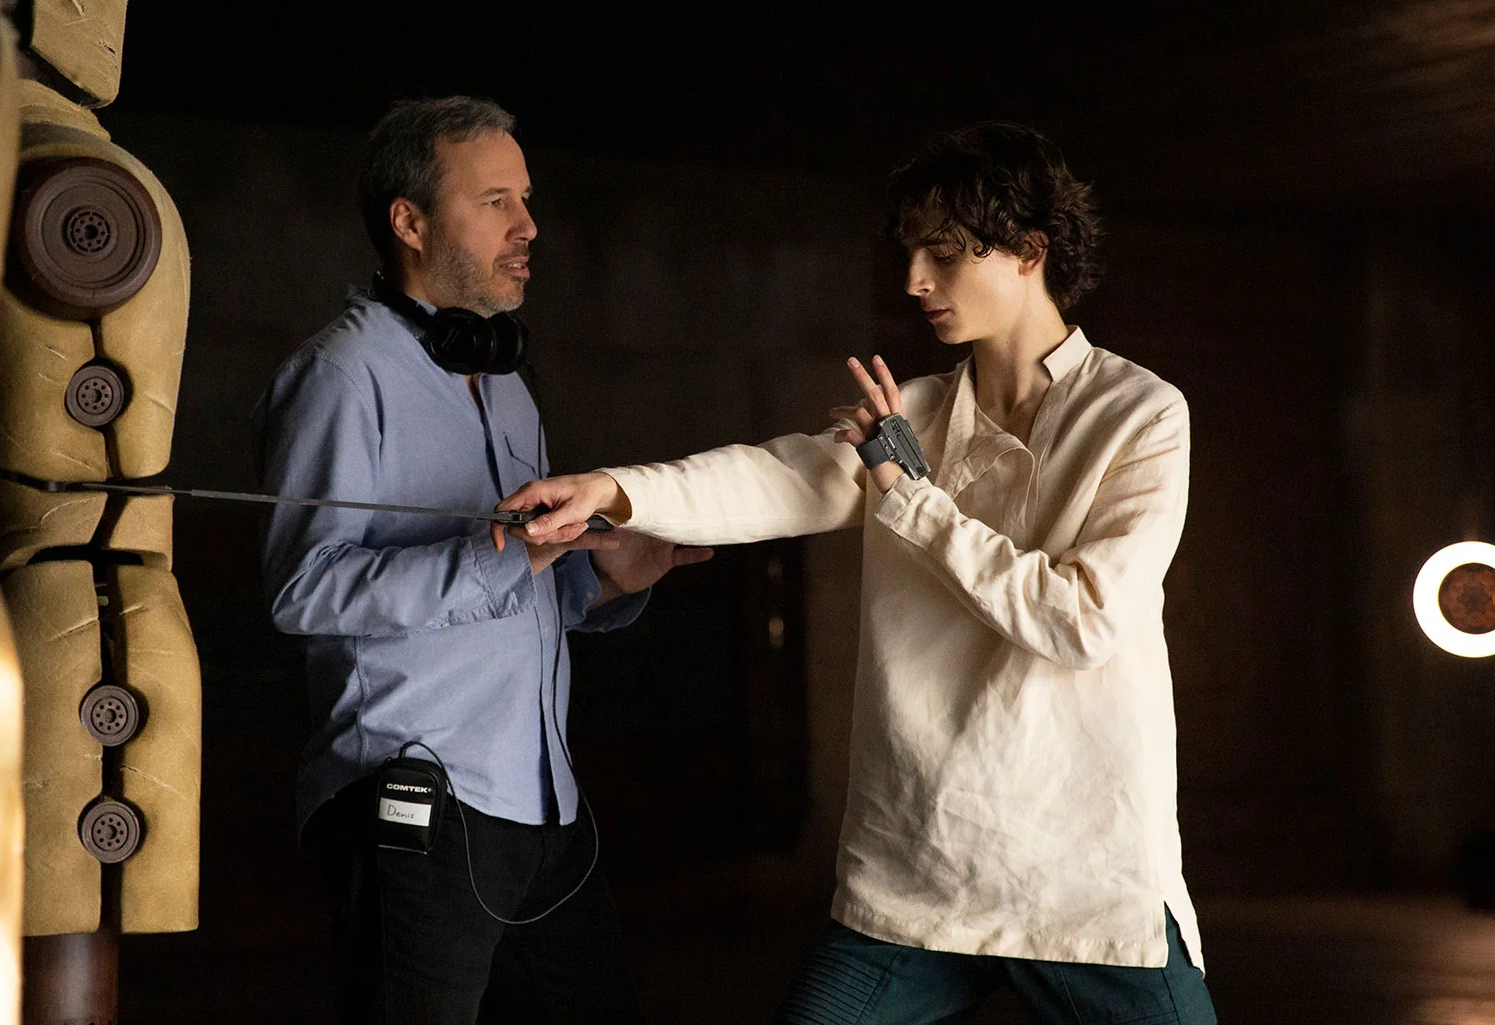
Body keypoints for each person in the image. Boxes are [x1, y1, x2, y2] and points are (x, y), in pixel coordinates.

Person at [499, 123, 1218, 1025]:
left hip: (1081, 874)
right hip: (919, 867)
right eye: (911, 251)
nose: (916, 279)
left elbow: (1082, 620)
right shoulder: (909, 414)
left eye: (946, 253)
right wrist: (612, 490)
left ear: (1031, 252)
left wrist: (909, 494)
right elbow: (774, 476)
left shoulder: (1141, 413)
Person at [254, 95, 710, 1024]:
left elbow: (516, 585)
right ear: (410, 222)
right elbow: (303, 590)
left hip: (541, 804)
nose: (529, 226)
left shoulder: (504, 383)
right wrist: (509, 560)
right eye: (496, 200)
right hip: (415, 801)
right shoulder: (342, 376)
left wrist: (606, 577)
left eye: (526, 199)